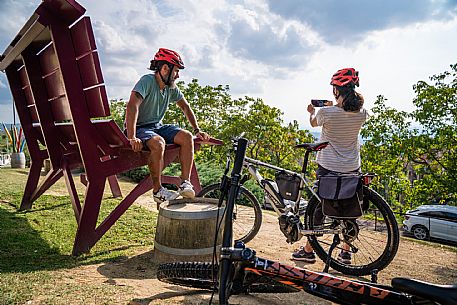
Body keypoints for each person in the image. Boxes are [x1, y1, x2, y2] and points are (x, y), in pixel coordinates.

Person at [292, 67, 368, 264]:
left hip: (328, 167)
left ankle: (309, 250)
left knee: (319, 206)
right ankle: (345, 252)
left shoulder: (327, 112)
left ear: (336, 90)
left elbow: (313, 123)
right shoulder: (363, 114)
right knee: (349, 207)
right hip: (352, 167)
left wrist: (312, 111)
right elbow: (348, 113)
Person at [125, 48, 210, 206]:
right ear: (165, 68)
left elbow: (186, 107)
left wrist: (197, 130)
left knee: (186, 137)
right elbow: (132, 106)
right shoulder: (147, 81)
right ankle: (158, 192)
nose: (177, 75)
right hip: (140, 129)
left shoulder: (171, 88)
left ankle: (185, 183)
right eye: (176, 71)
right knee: (158, 143)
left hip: (157, 126)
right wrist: (132, 136)